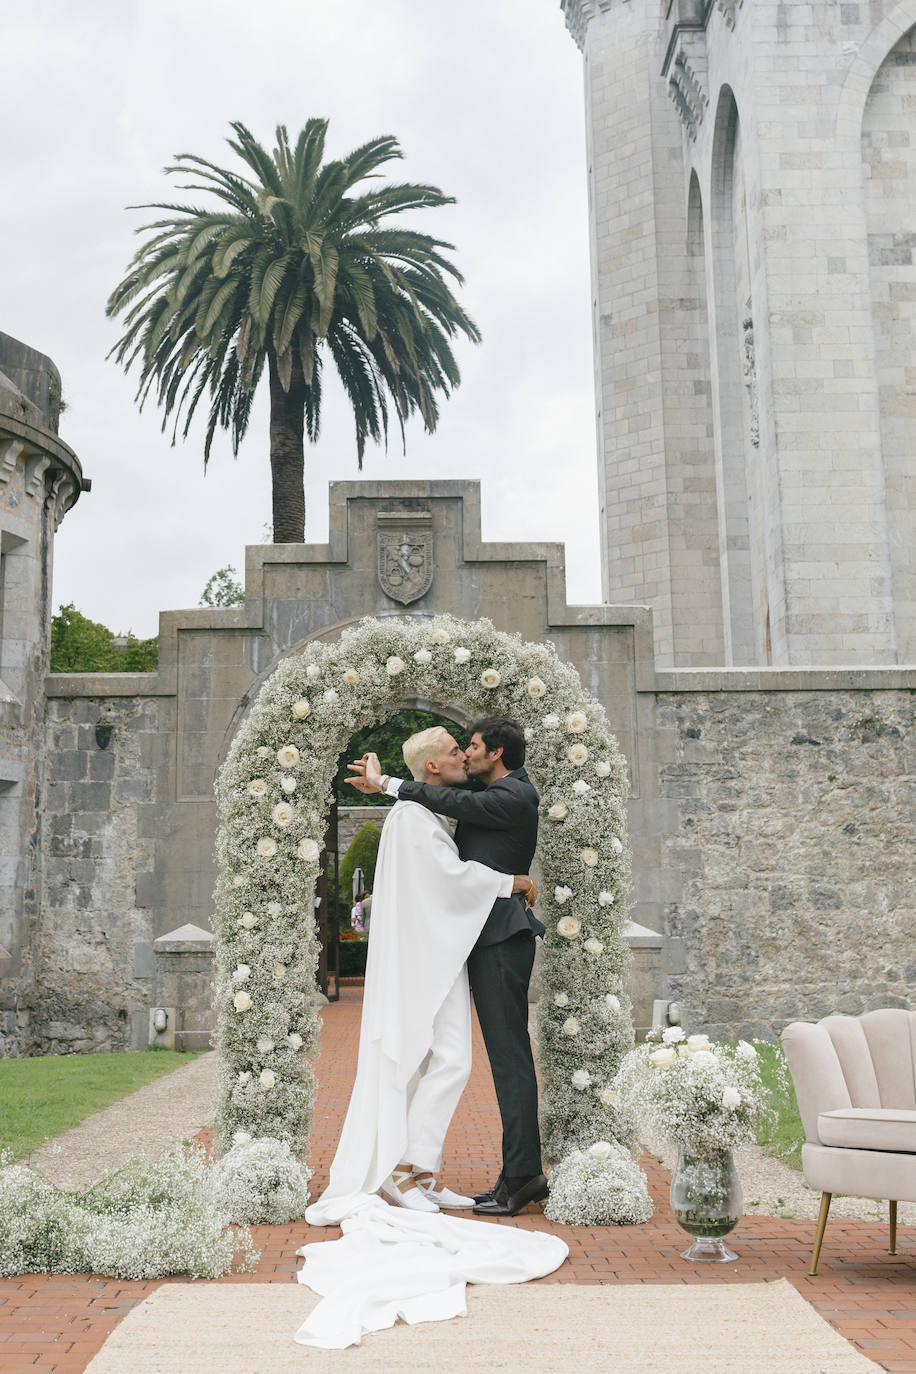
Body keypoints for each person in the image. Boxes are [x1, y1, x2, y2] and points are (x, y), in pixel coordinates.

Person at [305, 725, 537, 1225]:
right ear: (433, 766)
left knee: (450, 1059)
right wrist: (509, 881)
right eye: (458, 751)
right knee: (439, 1058)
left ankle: (422, 1168)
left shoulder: (432, 810)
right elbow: (448, 880)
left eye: (470, 748)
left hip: (442, 956)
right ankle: (403, 1170)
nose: (465, 758)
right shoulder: (412, 818)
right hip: (424, 961)